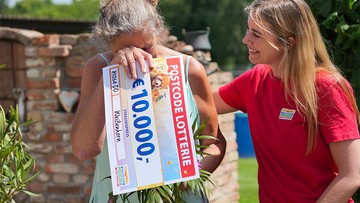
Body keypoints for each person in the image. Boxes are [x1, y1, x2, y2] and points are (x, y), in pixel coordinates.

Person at [70, 0, 226, 202]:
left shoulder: (190, 69)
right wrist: (112, 74)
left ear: (158, 30)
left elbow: (213, 143)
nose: (139, 58)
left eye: (147, 48)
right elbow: (84, 149)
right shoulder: (98, 68)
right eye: (124, 49)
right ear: (108, 42)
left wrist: (185, 178)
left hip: (179, 196)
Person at [212, 0, 360, 202]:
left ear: (289, 42)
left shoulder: (326, 87)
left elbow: (351, 176)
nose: (246, 39)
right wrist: (158, 55)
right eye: (248, 30)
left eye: (256, 34)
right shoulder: (254, 81)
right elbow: (199, 104)